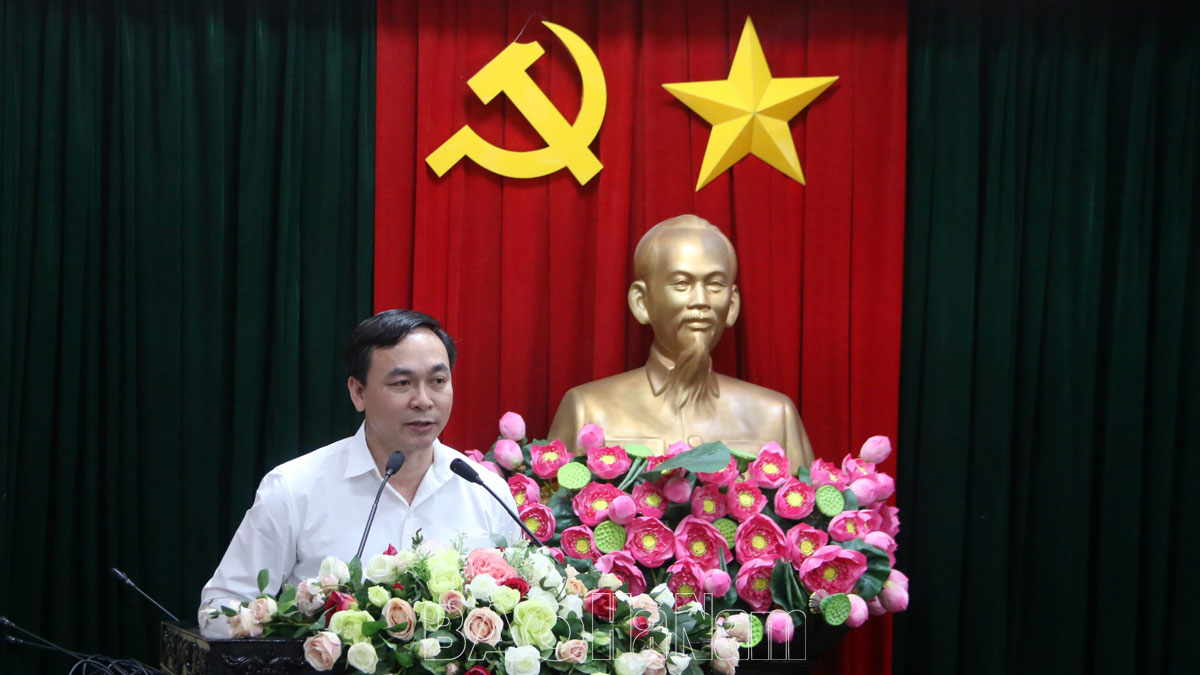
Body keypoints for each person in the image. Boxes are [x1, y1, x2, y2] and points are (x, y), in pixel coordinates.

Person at [198, 310, 522, 633]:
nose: (423, 400)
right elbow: (218, 612)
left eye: (437, 381)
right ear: (358, 392)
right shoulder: (294, 489)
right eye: (402, 383)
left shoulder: (486, 492)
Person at [547, 215, 815, 469]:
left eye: (714, 284)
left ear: (732, 305)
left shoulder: (776, 416)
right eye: (681, 283)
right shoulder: (587, 410)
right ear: (642, 302)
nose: (701, 301)